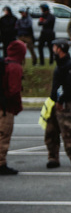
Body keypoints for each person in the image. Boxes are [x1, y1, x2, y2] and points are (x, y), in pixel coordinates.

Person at [44, 39, 71, 169]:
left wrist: (61, 100)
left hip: (63, 103)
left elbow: (69, 86)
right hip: (53, 102)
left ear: (60, 49)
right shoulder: (60, 64)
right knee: (51, 131)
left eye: (54, 47)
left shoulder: (69, 66)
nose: (53, 49)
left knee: (67, 131)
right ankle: (53, 157)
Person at [0, 40, 26, 175]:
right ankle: (1, 164)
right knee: (3, 135)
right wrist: (16, 106)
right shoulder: (15, 67)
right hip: (6, 108)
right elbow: (14, 91)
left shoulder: (5, 62)